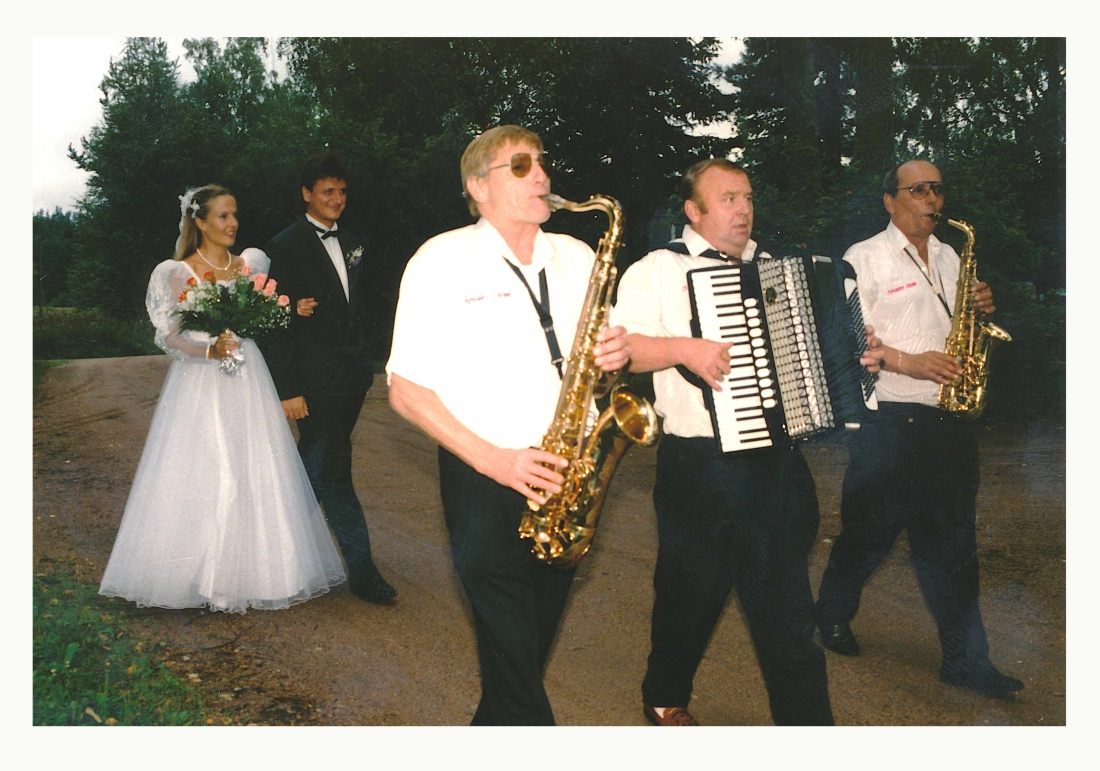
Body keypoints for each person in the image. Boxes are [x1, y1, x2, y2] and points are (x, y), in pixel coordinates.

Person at [385, 125, 631, 725]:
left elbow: (597, 372)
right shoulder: (440, 259)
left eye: (542, 162)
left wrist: (615, 359)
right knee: (518, 671)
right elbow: (405, 390)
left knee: (518, 661)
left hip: (568, 474)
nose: (541, 175)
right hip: (485, 477)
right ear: (478, 186)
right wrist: (494, 460)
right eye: (520, 166)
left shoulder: (578, 258)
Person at [614, 158, 873, 726]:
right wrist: (685, 349)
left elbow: (818, 358)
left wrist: (855, 356)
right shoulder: (657, 269)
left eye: (748, 198)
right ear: (693, 210)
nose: (744, 210)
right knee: (688, 594)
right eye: (728, 199)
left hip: (776, 463)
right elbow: (622, 349)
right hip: (698, 465)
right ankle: (664, 695)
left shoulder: (777, 270)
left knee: (787, 610)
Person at [815, 159, 1024, 700]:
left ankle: (965, 660)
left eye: (938, 190)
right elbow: (847, 343)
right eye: (919, 190)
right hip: (891, 420)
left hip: (948, 419)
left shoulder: (952, 256)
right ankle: (831, 615)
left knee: (955, 546)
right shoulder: (863, 257)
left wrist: (979, 309)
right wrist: (910, 362)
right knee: (868, 536)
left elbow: (956, 327)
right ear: (890, 201)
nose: (933, 200)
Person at [99, 184, 346, 613]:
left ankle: (255, 572)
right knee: (202, 466)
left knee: (253, 464)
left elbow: (266, 317)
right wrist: (208, 350)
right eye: (223, 216)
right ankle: (194, 575)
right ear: (200, 222)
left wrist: (285, 312)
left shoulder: (249, 265)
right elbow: (169, 337)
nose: (233, 224)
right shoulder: (177, 272)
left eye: (235, 215)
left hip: (247, 375)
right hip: (200, 380)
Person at [260, 153, 396, 604]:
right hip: (313, 384)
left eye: (342, 191)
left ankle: (268, 554)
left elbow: (367, 305)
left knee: (314, 471)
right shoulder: (284, 246)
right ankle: (362, 573)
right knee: (333, 471)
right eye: (327, 191)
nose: (337, 199)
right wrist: (289, 390)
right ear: (306, 194)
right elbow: (272, 323)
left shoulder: (356, 241)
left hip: (351, 380)